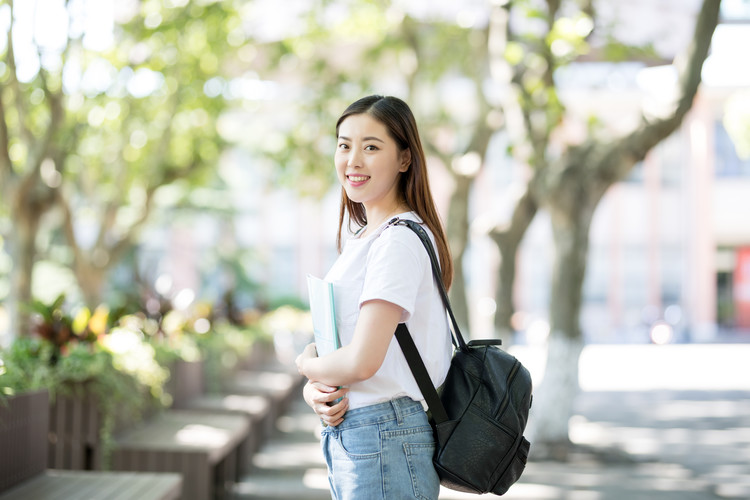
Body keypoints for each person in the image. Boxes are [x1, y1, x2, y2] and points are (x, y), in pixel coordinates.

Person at [295, 95, 454, 500]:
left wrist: (305, 366)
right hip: (369, 434)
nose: (353, 160)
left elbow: (363, 360)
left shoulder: (397, 241)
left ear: (404, 159)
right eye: (344, 145)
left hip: (385, 435)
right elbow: (349, 348)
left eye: (371, 147)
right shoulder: (368, 237)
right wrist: (317, 390)